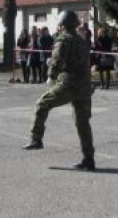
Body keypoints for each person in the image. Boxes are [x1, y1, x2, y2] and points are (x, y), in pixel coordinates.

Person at [22, 10, 96, 171]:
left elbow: (57, 60)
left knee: (42, 104)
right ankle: (89, 159)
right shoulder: (81, 40)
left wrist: (51, 75)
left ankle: (36, 138)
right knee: (83, 123)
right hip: (84, 86)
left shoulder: (63, 39)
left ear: (62, 25)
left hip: (69, 84)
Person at [93, 26, 114, 90]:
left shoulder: (108, 39)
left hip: (107, 56)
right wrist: (95, 47)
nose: (99, 33)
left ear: (104, 32)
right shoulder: (98, 39)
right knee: (100, 71)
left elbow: (109, 47)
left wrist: (101, 46)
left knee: (107, 71)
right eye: (99, 32)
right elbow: (95, 48)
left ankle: (107, 84)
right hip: (100, 57)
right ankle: (102, 84)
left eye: (100, 32)